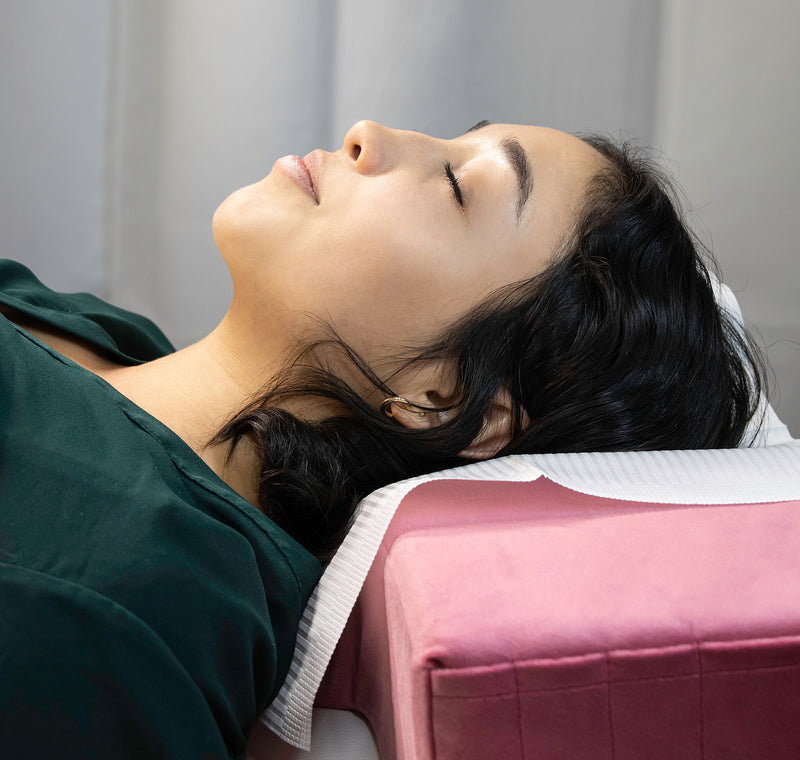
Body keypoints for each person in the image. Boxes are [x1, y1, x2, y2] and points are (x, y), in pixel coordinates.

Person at [0, 120, 764, 758]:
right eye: (450, 139)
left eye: (460, 186)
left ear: (445, 397)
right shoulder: (106, 336)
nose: (368, 133)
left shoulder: (127, 603)